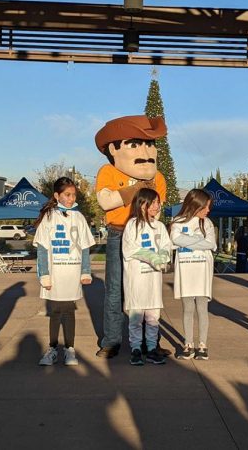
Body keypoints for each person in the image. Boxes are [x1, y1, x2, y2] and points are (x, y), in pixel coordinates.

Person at [93, 115, 168, 359]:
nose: (146, 151)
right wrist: (136, 188)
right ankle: (112, 340)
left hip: (145, 234)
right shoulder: (108, 171)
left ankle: (150, 342)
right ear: (114, 148)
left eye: (150, 144)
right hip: (118, 232)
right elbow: (106, 201)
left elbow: (158, 211)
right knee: (115, 289)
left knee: (149, 290)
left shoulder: (158, 178)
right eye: (135, 144)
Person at [34, 177, 96, 367]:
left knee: (69, 311)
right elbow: (43, 248)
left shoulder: (78, 217)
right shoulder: (49, 217)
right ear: (56, 195)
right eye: (67, 195)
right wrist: (44, 274)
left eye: (73, 195)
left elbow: (84, 246)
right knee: (55, 311)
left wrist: (85, 271)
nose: (71, 198)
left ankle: (70, 349)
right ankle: (52, 349)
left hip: (72, 273)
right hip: (55, 274)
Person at [122, 188, 172, 366]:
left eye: (158, 203)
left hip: (153, 282)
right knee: (136, 318)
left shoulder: (159, 226)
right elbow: (132, 249)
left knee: (152, 318)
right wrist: (153, 258)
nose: (157, 206)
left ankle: (151, 349)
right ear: (142, 204)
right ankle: (136, 349)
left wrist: (163, 256)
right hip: (137, 281)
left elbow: (167, 245)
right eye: (154, 203)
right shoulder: (132, 225)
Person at [170, 189, 216, 360]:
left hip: (202, 271)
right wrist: (199, 243)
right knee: (188, 308)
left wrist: (187, 242)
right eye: (205, 207)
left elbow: (211, 244)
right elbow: (175, 240)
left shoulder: (207, 223)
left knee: (202, 308)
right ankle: (188, 344)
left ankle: (202, 345)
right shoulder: (178, 222)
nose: (208, 211)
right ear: (195, 205)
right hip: (185, 271)